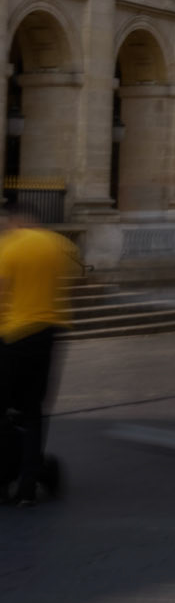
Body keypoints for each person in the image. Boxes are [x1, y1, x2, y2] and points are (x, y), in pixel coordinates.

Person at [0, 203, 79, 505]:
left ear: (16, 220)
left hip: (12, 335)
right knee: (33, 412)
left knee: (5, 411)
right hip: (48, 333)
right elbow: (72, 278)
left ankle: (5, 476)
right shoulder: (59, 244)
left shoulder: (9, 246)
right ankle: (28, 485)